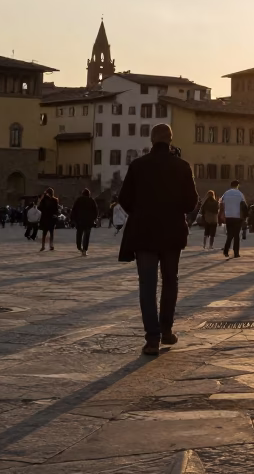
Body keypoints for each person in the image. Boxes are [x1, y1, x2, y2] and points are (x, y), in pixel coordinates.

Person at [118, 124, 199, 356]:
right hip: (172, 232)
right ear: (171, 140)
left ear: (152, 141)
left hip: (143, 232)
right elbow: (191, 203)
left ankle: (152, 339)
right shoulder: (182, 167)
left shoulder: (138, 165)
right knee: (170, 281)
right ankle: (166, 330)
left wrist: (140, 212)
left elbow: (124, 198)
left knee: (147, 285)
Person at [220, 181, 246, 258]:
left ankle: (226, 251)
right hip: (238, 216)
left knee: (230, 234)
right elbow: (244, 205)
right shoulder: (240, 194)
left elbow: (221, 203)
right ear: (238, 185)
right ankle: (236, 253)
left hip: (228, 216)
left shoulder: (226, 193)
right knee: (236, 235)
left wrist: (222, 213)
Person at [71, 188, 98, 256]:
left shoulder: (78, 200)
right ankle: (85, 250)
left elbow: (74, 210)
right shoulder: (91, 200)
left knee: (79, 234)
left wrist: (73, 219)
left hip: (79, 221)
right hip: (88, 221)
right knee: (86, 235)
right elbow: (95, 211)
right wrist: (93, 219)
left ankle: (79, 247)